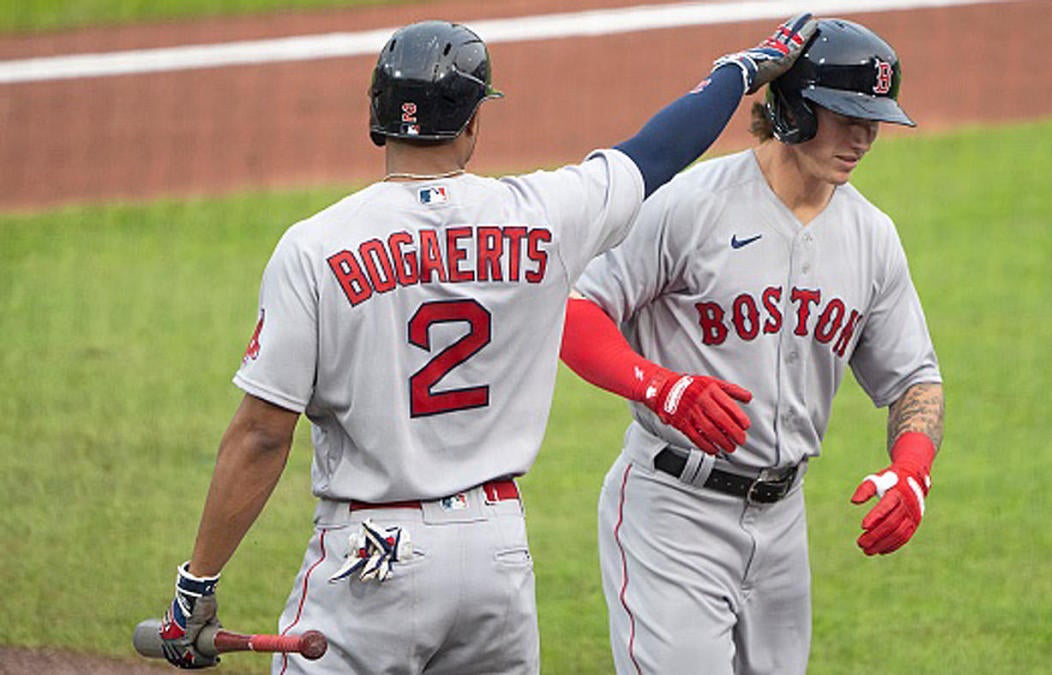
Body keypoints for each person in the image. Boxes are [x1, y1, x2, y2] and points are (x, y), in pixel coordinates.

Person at [154, 15, 819, 674]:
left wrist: (196, 587)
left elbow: (264, 434)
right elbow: (658, 152)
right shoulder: (544, 213)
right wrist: (737, 74)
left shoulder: (314, 247)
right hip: (495, 558)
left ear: (376, 120)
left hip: (370, 558)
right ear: (473, 122)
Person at [559, 18, 945, 674]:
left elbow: (914, 379)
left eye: (873, 121)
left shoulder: (872, 235)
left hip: (782, 523)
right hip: (672, 512)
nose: (864, 138)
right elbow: (576, 311)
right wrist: (663, 387)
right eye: (846, 115)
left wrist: (912, 470)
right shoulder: (689, 206)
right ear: (792, 109)